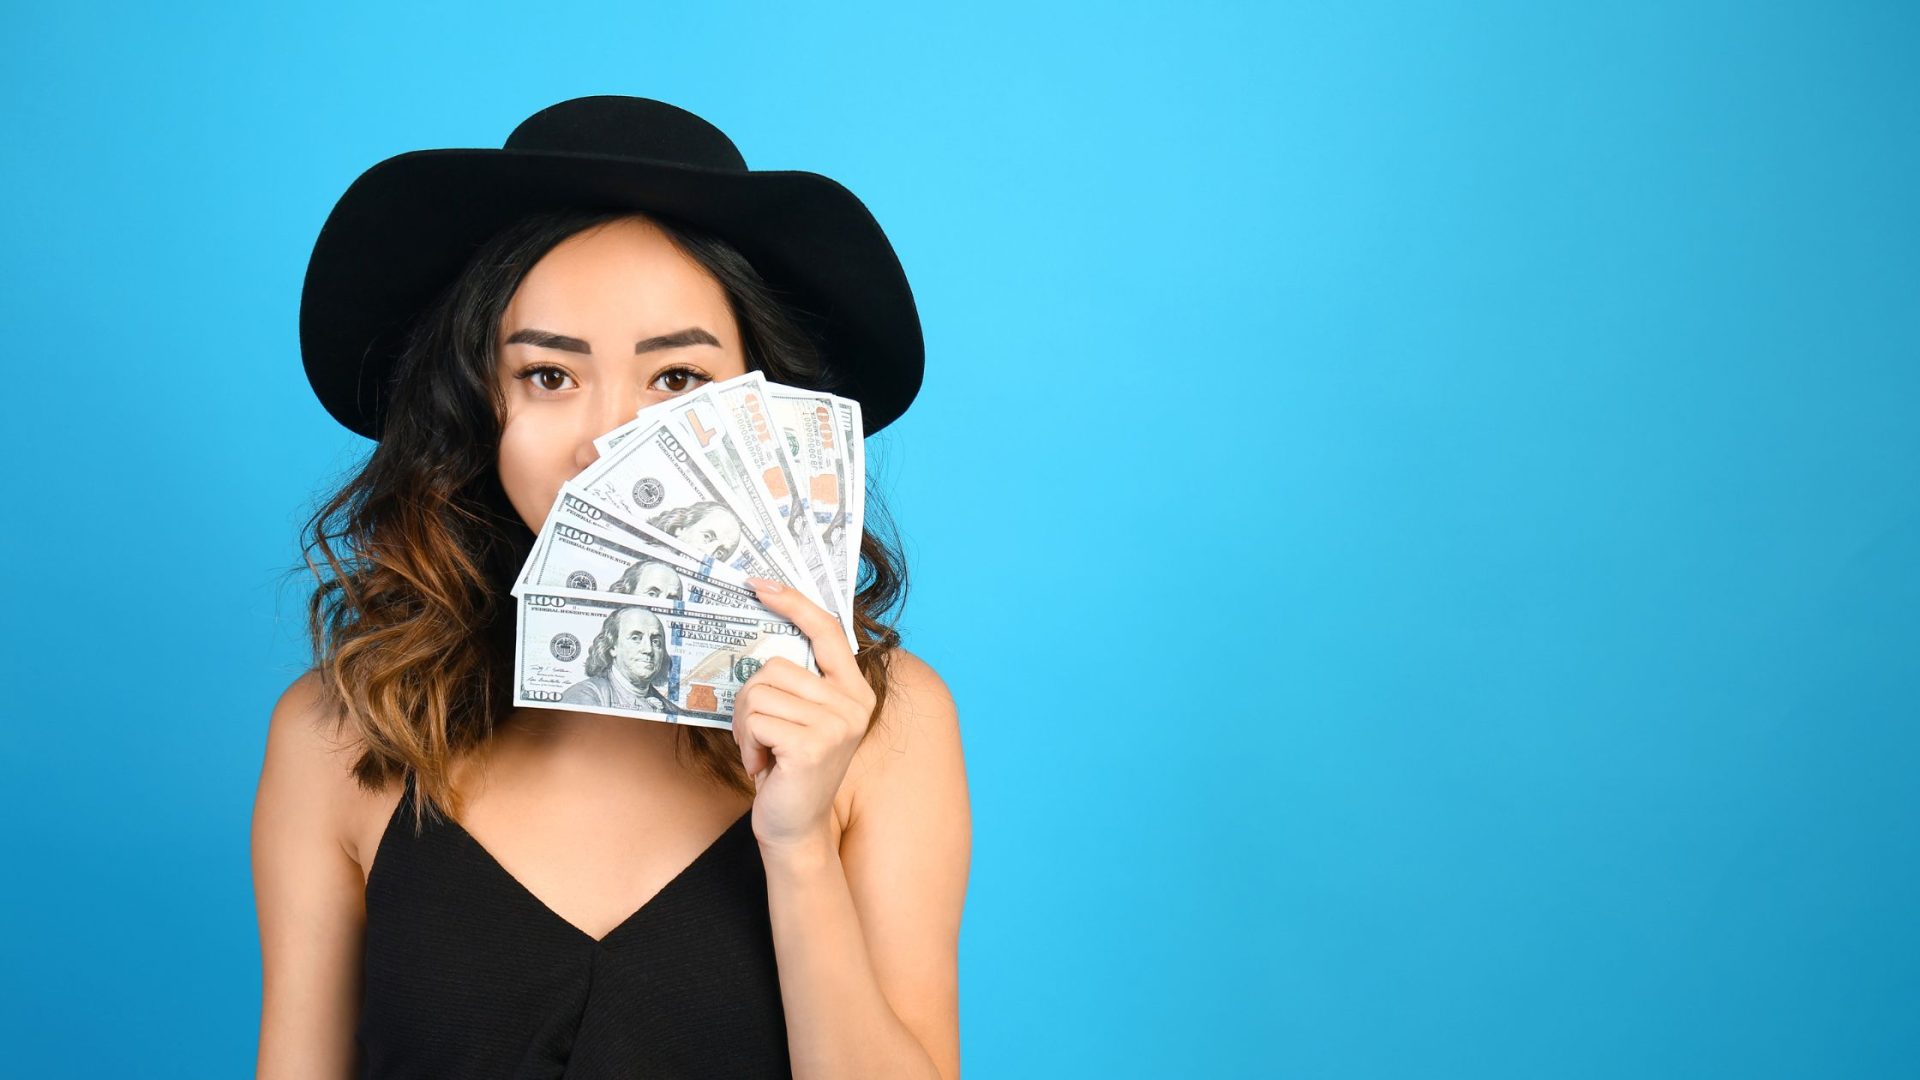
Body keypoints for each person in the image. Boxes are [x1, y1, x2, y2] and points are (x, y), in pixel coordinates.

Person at [251, 96, 971, 1079]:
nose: (610, 443)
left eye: (676, 379)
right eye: (549, 375)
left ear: (765, 412)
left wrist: (800, 845)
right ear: (476, 406)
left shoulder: (888, 730)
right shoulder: (336, 736)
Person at [559, 605, 680, 715]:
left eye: (656, 641)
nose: (648, 649)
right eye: (635, 638)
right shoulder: (583, 696)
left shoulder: (673, 712)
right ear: (612, 647)